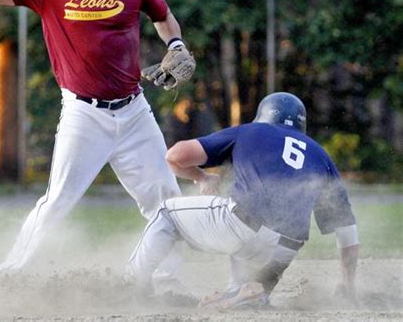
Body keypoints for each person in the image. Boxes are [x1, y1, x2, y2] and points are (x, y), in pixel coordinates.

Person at [0, 0, 195, 277]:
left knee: (165, 198)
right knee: (58, 200)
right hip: (84, 114)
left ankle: (161, 278)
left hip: (134, 112)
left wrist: (175, 42)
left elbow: (162, 16)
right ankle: (11, 273)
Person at [125, 92, 359, 310]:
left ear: (263, 116)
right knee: (247, 258)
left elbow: (175, 156)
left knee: (166, 212)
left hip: (244, 225)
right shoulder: (320, 155)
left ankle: (131, 283)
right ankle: (246, 291)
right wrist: (347, 285)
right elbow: (347, 230)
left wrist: (203, 177)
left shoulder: (251, 131)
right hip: (285, 250)